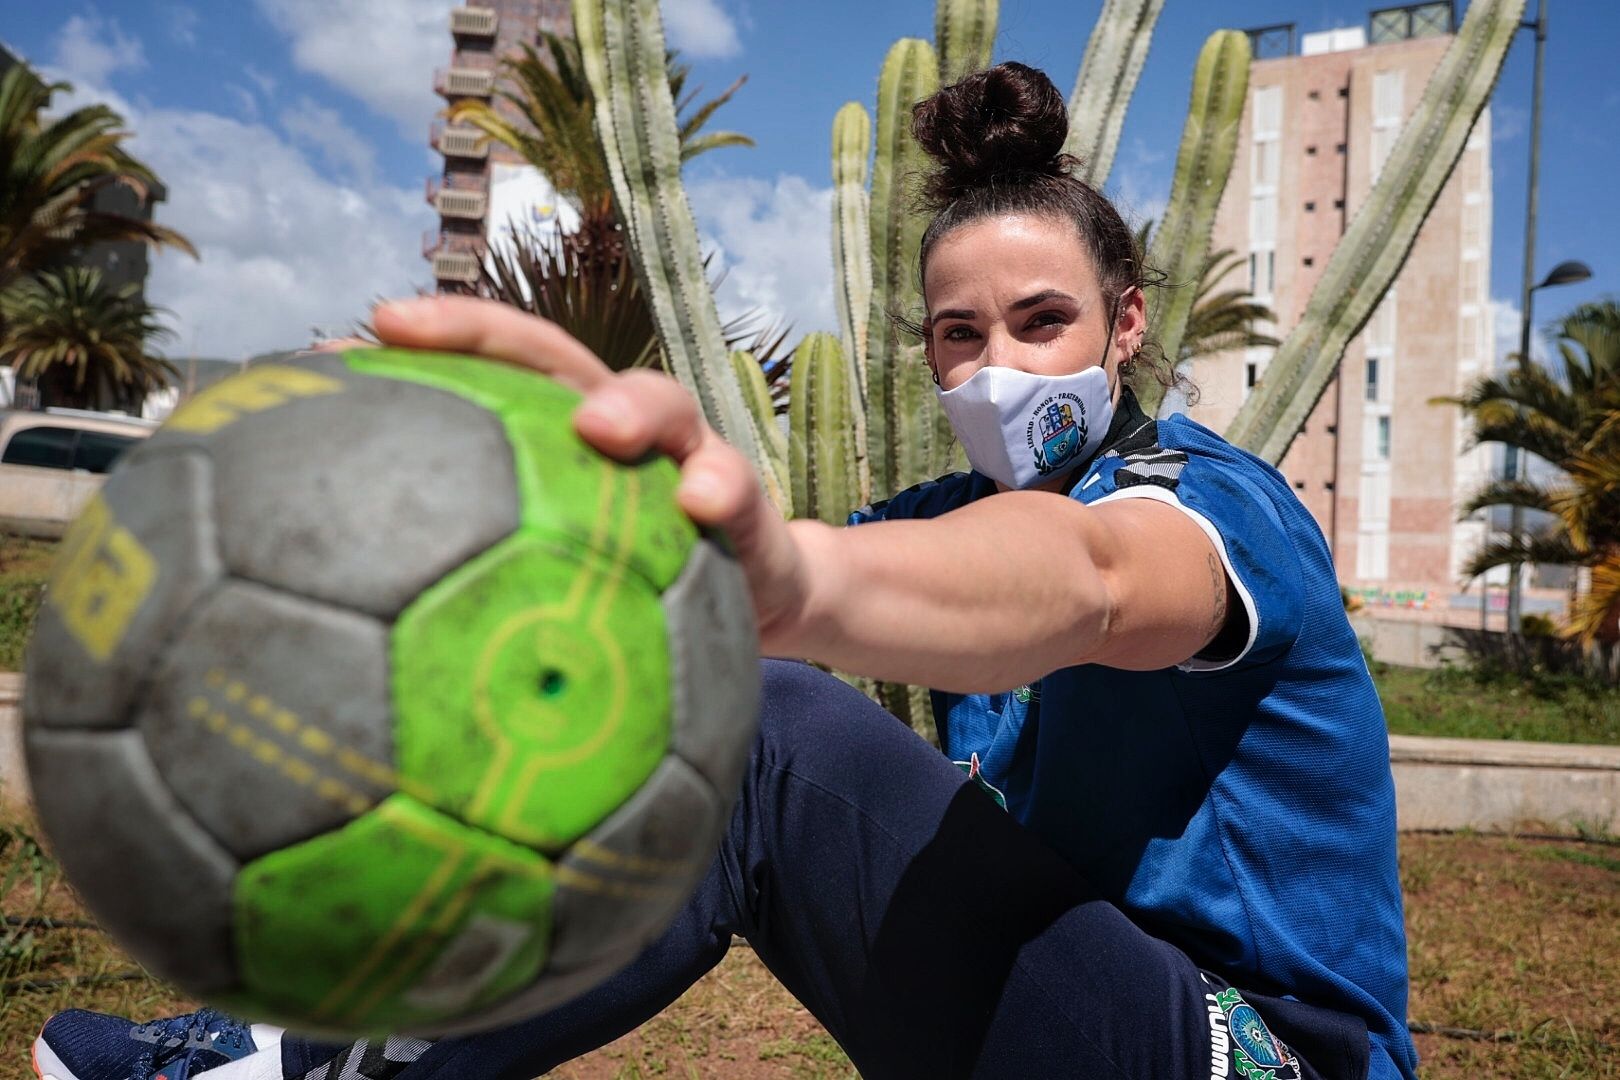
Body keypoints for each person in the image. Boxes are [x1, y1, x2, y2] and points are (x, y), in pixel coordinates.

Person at [33, 62, 1415, 1080]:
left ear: (1124, 329)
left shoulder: (1212, 504)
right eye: (957, 334)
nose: (997, 367)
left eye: (1041, 321)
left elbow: (1092, 578)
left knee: (763, 726)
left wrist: (798, 580)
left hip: (1268, 1058)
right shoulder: (942, 505)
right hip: (1083, 1017)